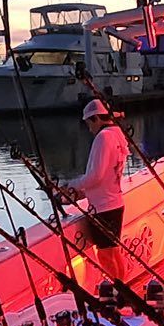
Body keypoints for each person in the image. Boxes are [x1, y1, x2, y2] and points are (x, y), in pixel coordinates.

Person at [59, 99, 128, 285]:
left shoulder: (103, 137)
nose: (89, 128)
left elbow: (95, 176)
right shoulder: (117, 134)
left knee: (106, 255)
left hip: (103, 208)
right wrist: (84, 192)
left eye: (89, 122)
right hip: (114, 203)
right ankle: (124, 289)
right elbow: (106, 175)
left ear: (96, 118)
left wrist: (71, 185)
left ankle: (118, 291)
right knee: (114, 251)